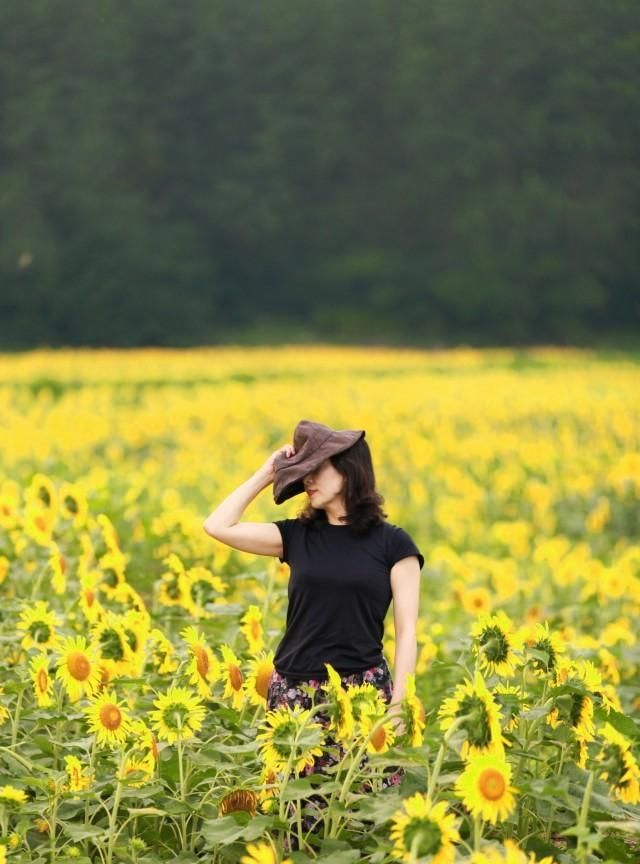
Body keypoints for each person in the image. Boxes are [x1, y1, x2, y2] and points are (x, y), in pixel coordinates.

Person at [202, 419, 423, 842]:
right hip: (293, 696)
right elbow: (218, 525)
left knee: (362, 820)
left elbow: (407, 631)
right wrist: (267, 472)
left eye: (316, 468)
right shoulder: (296, 536)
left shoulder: (393, 544)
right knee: (293, 822)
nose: (307, 480)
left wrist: (398, 704)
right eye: (301, 473)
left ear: (348, 469)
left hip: (363, 696)